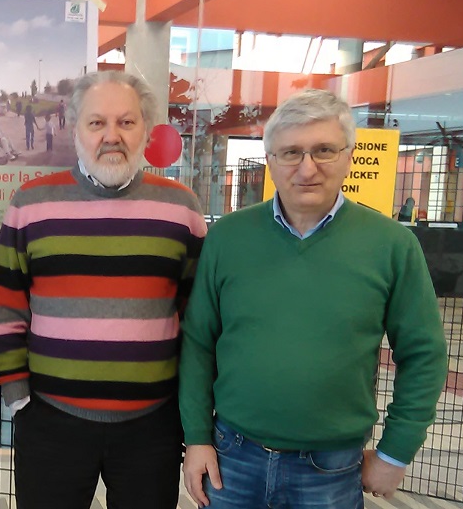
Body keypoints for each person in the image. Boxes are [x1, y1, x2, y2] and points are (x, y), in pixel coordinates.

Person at [179, 88, 448, 509]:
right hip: (233, 458)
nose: (307, 168)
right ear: (270, 161)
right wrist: (196, 437)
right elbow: (197, 343)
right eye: (290, 152)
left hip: (331, 469)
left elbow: (424, 354)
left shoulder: (391, 245)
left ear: (349, 156)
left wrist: (396, 451)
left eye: (324, 150)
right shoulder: (228, 238)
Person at [0, 70, 207, 509]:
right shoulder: (31, 203)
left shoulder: (182, 209)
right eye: (97, 122)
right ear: (74, 129)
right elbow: (6, 304)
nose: (112, 136)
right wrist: (17, 395)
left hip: (153, 426)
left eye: (126, 122)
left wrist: (188, 409)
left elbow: (196, 315)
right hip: (51, 420)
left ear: (145, 129)